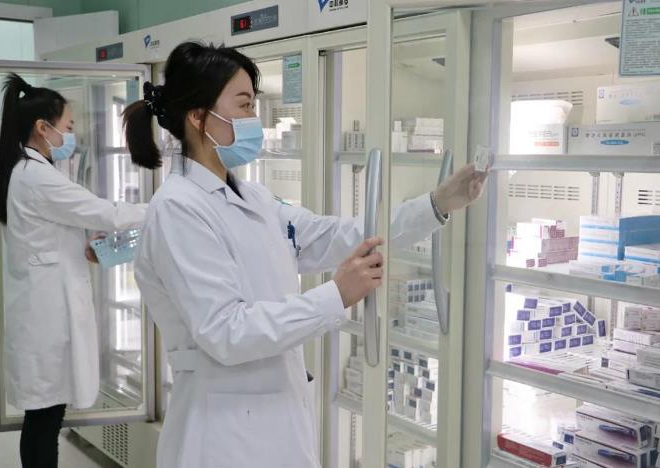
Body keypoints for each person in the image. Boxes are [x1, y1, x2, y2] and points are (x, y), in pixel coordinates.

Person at [127, 42, 486, 468]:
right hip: (223, 437)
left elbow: (335, 235)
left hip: (275, 422)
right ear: (198, 116)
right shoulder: (178, 209)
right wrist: (336, 295)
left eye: (254, 105)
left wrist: (436, 204)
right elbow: (226, 332)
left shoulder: (253, 197)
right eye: (244, 106)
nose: (254, 119)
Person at [0, 73, 148, 468]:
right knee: (45, 418)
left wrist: (83, 247)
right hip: (47, 314)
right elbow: (105, 212)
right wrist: (163, 206)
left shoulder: (27, 169)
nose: (72, 135)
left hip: (42, 306)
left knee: (45, 415)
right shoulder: (37, 176)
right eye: (68, 126)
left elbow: (49, 232)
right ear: (42, 128)